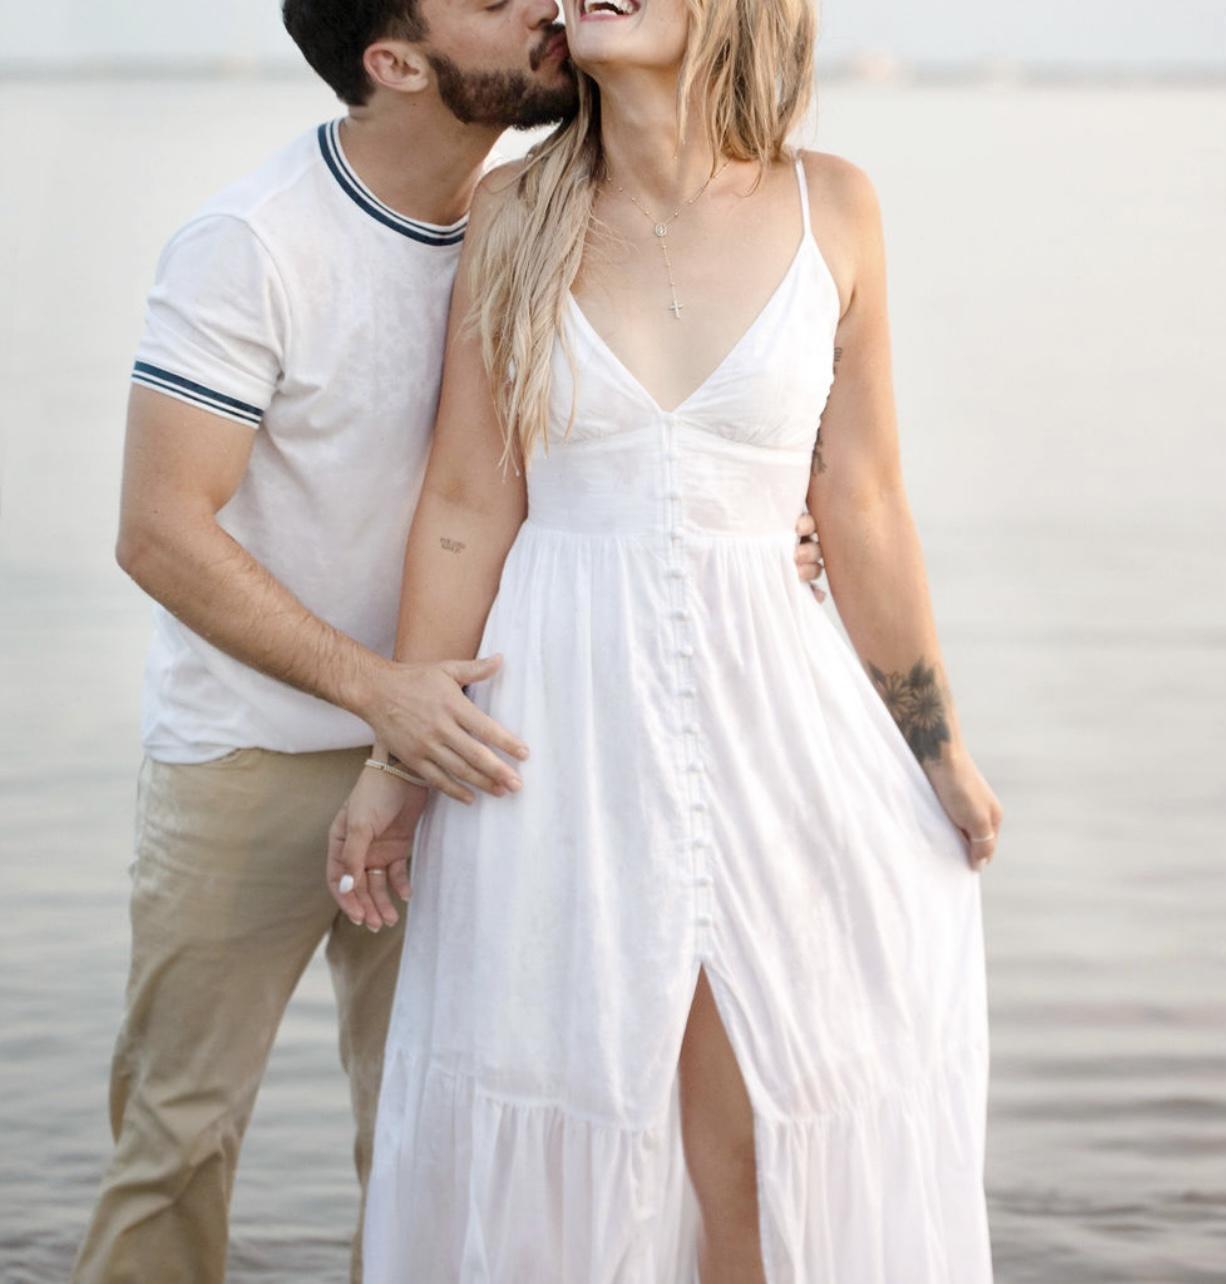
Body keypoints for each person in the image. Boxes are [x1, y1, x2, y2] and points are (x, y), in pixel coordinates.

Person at [74, 0, 828, 1279]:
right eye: (487, 3)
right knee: (178, 1136)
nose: (542, 5)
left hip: (466, 760)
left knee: (435, 1135)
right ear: (397, 62)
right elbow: (158, 532)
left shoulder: (538, 214)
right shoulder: (252, 245)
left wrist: (770, 517)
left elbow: (628, 429)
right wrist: (382, 694)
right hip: (251, 758)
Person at [330, 0, 1004, 1279]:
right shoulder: (513, 214)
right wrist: (398, 760)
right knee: (587, 1110)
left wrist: (939, 751)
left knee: (755, 1126)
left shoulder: (833, 206)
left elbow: (862, 503)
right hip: (558, 729)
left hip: (781, 725)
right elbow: (467, 506)